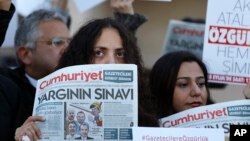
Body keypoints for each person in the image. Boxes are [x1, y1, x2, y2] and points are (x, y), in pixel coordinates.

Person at [149, 51, 214, 119]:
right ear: (162, 89)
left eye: (201, 84)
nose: (197, 92)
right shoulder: (142, 128)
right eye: (184, 84)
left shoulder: (221, 128)